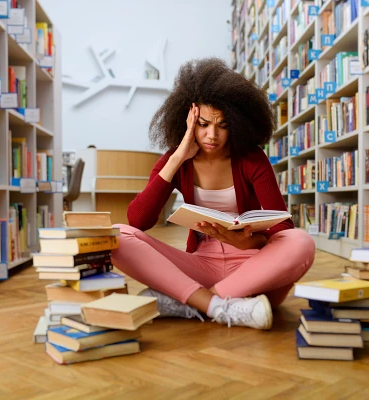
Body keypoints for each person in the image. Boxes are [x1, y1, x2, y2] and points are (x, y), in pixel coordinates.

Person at [111, 58, 315, 330]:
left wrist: (242, 242)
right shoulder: (177, 159)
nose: (212, 135)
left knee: (300, 241)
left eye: (223, 125)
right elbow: (138, 219)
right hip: (201, 264)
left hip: (254, 268)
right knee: (116, 235)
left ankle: (196, 303)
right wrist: (177, 157)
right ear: (187, 122)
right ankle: (219, 307)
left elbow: (282, 228)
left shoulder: (251, 158)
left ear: (237, 123)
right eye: (204, 124)